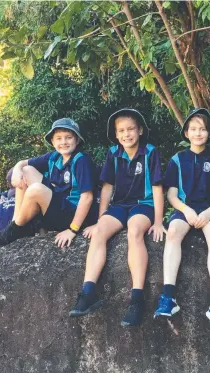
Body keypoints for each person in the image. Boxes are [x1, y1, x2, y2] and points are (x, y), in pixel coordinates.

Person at [70, 108, 164, 327]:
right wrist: (101, 218)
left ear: (140, 130)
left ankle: (137, 299)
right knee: (100, 233)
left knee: (134, 230)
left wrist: (158, 221)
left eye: (131, 129)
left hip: (144, 204)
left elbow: (158, 188)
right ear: (115, 134)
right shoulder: (113, 152)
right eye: (121, 130)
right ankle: (88, 292)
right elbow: (107, 186)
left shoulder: (150, 152)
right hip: (119, 205)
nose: (126, 134)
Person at [154, 108, 210, 326]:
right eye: (193, 129)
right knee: (173, 234)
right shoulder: (177, 160)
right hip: (184, 208)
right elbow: (171, 194)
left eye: (203, 129)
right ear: (186, 133)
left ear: (209, 133)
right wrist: (187, 210)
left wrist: (208, 212)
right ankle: (168, 297)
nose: (198, 133)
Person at [0, 118, 98, 248]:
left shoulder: (81, 160)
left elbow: (87, 197)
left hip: (74, 214)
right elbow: (23, 163)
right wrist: (17, 170)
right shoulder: (54, 157)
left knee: (36, 189)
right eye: (58, 138)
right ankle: (16, 223)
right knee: (26, 171)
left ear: (77, 140)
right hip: (58, 206)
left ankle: (17, 228)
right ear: (52, 141)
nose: (63, 142)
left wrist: (72, 229)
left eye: (68, 137)